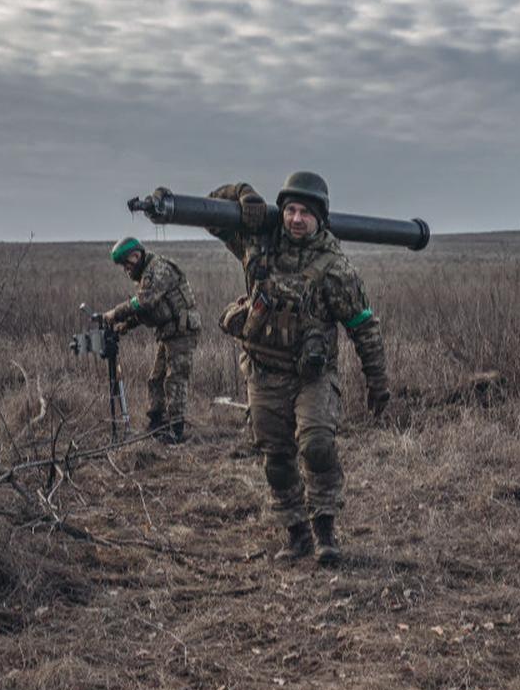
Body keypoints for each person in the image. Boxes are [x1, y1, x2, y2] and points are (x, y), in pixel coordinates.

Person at [201, 171, 389, 565]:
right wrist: (242, 194)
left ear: (320, 217)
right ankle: (296, 533)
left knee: (317, 445)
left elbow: (363, 327)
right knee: (276, 458)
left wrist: (377, 381)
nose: (296, 219)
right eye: (290, 210)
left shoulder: (335, 268)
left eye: (306, 212)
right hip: (263, 372)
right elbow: (210, 212)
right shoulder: (258, 244)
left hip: (312, 377)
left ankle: (325, 532)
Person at [102, 237, 200, 444]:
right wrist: (125, 326)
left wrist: (116, 313)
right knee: (155, 379)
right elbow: (147, 310)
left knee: (175, 380)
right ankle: (157, 422)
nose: (126, 270)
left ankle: (176, 430)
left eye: (127, 264)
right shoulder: (146, 274)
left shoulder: (158, 270)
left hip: (182, 332)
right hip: (168, 332)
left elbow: (145, 302)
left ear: (136, 256)